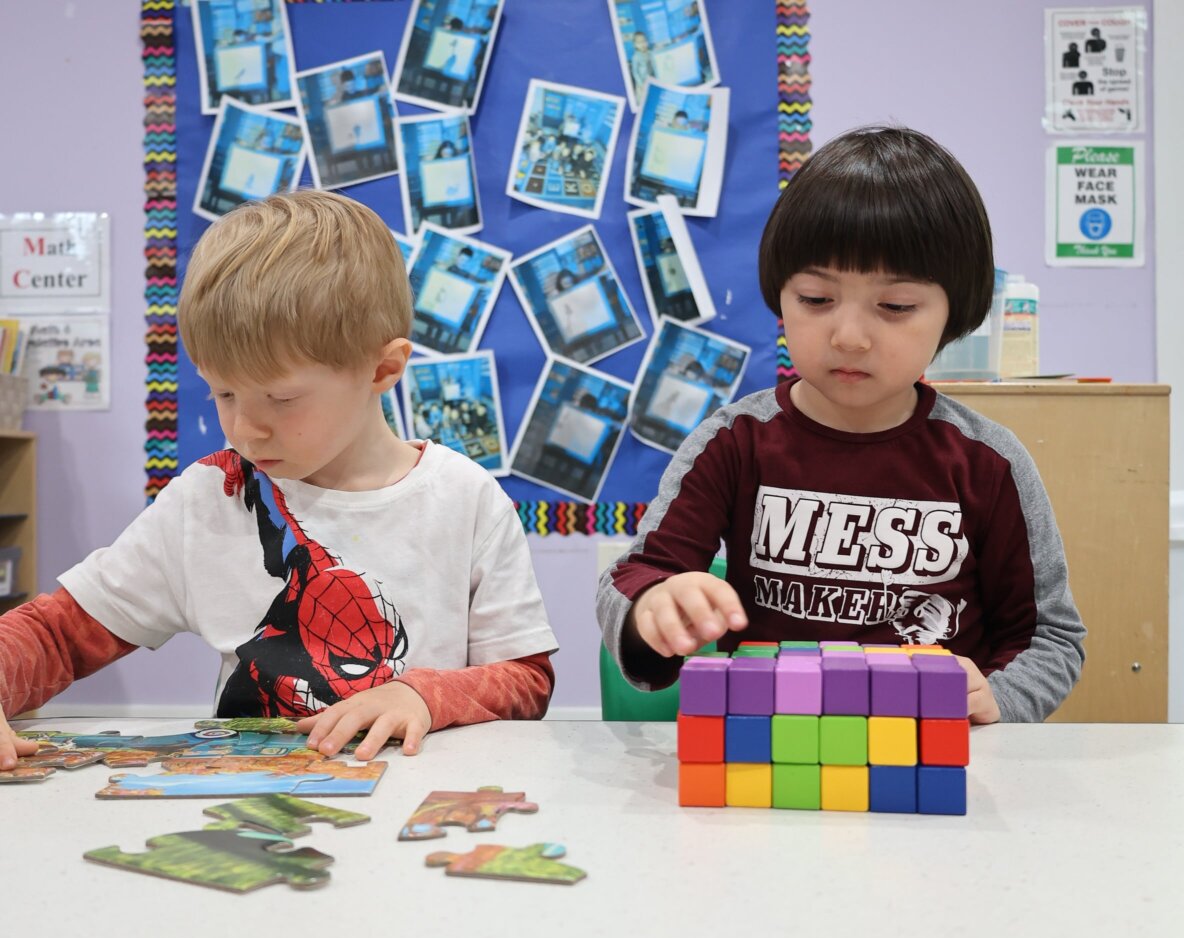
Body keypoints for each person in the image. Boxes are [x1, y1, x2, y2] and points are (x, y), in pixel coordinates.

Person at [0, 190, 558, 769]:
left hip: (418, 813)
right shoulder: (208, 498)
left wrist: (422, 693)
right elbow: (56, 635)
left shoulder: (464, 498)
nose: (245, 428)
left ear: (384, 369)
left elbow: (527, 680)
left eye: (282, 398)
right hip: (247, 818)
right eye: (222, 393)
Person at [596, 126, 1085, 724]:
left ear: (954, 313)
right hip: (773, 753)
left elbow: (1050, 639)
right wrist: (654, 605)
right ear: (780, 297)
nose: (848, 336)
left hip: (930, 767)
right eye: (815, 299)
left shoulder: (987, 461)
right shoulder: (733, 441)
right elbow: (635, 575)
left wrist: (999, 699)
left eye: (896, 307)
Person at [630, 31, 656, 98]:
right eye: (639, 42)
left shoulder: (650, 53)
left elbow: (653, 65)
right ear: (634, 45)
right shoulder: (636, 57)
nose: (642, 44)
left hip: (651, 78)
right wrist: (641, 84)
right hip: (641, 82)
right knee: (642, 97)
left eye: (644, 41)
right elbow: (635, 72)